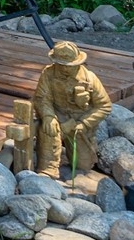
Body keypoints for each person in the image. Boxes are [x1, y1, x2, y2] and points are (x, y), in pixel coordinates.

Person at [32, 41, 112, 177]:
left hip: (79, 120)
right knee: (49, 129)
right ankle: (49, 168)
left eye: (69, 66)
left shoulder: (89, 79)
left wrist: (84, 124)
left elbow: (104, 106)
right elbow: (41, 98)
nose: (64, 69)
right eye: (60, 64)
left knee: (83, 164)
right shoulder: (48, 74)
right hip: (57, 115)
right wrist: (48, 116)